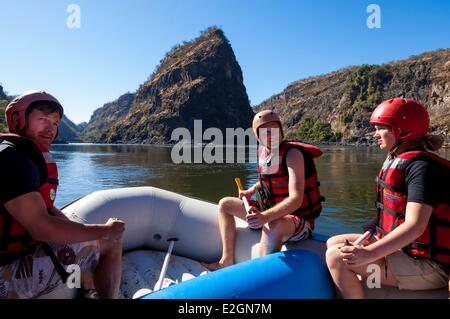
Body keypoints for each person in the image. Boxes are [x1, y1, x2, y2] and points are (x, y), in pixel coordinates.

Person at [0, 91, 125, 299]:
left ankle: (87, 289)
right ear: (18, 120)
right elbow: (42, 228)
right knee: (111, 241)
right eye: (42, 119)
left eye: (56, 123)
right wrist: (106, 231)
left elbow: (47, 208)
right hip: (5, 275)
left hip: (13, 258)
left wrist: (79, 237)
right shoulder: (14, 161)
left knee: (81, 239)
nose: (50, 129)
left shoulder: (18, 155)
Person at [325, 98, 450, 299]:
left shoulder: (421, 168)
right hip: (408, 250)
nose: (374, 135)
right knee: (333, 242)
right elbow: (403, 210)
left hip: (430, 266)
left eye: (381, 128)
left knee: (336, 257)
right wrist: (379, 222)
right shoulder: (402, 160)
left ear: (402, 131)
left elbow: (416, 226)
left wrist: (371, 253)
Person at [203, 110, 324, 270]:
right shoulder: (264, 154)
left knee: (272, 225)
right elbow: (266, 182)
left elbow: (296, 199)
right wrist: (250, 191)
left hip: (297, 221)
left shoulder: (293, 154)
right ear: (257, 136)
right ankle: (226, 260)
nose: (270, 135)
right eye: (264, 131)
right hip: (269, 214)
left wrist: (264, 217)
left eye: (274, 129)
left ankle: (260, 273)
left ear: (280, 131)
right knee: (225, 204)